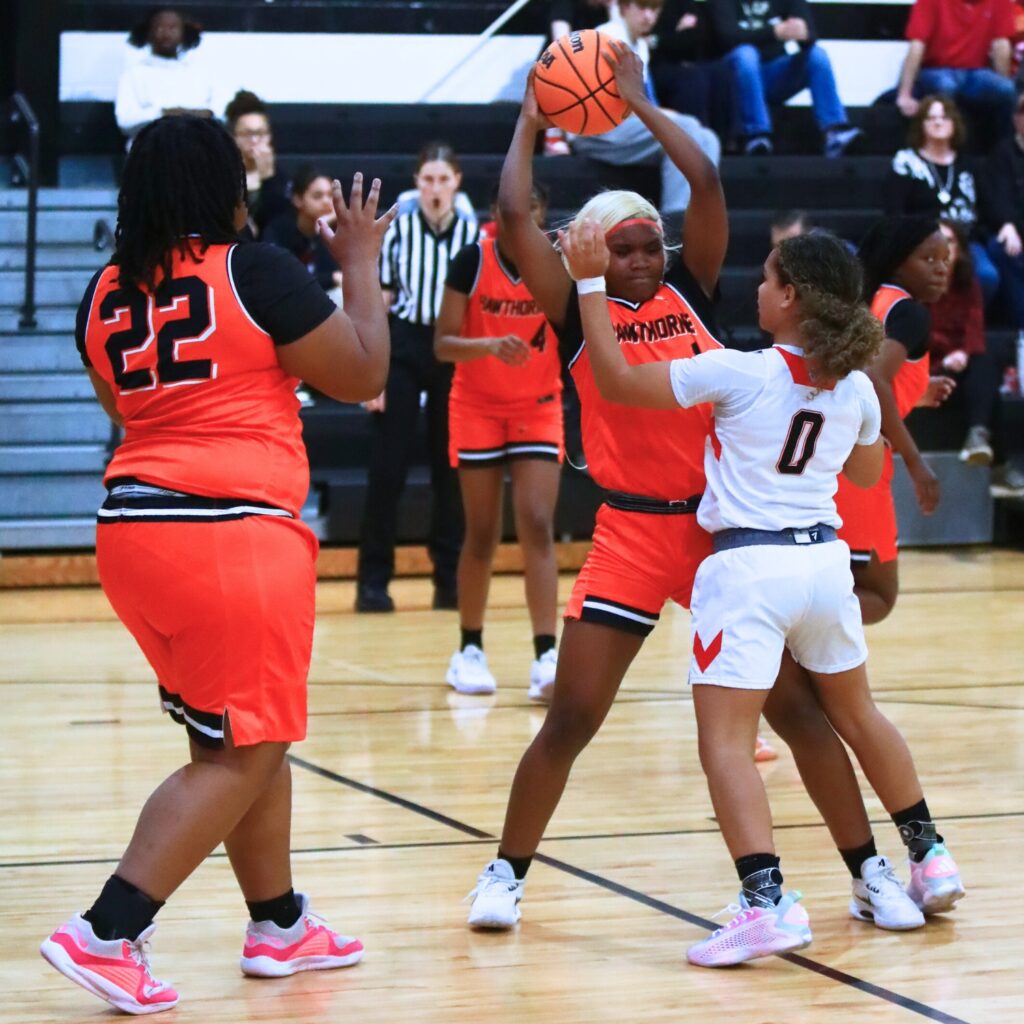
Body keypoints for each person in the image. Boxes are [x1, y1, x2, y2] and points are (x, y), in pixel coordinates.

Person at [466, 44, 927, 937]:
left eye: (650, 244)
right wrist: (532, 116)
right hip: (633, 534)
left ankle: (869, 871)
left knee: (799, 716)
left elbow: (707, 183)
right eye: (622, 247)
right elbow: (515, 211)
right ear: (592, 251)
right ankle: (504, 873)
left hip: (727, 538)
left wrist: (639, 104)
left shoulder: (692, 288)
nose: (641, 258)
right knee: (572, 717)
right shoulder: (577, 306)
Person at [38, 115, 395, 1014]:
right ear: (220, 185)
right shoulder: (254, 268)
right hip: (229, 530)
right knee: (245, 751)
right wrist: (359, 260)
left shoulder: (100, 294)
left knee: (231, 737)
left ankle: (278, 922)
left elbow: (125, 405)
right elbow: (362, 375)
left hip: (133, 532)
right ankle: (108, 931)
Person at [563, 223, 964, 967]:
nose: (755, 287)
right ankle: (930, 857)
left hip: (748, 569)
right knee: (859, 714)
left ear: (792, 299)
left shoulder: (736, 371)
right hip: (824, 566)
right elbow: (871, 478)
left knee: (724, 743)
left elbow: (615, 380)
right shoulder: (855, 388)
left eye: (769, 278)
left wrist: (589, 283)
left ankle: (765, 902)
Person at [434, 183, 563, 700]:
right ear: (495, 213)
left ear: (541, 215)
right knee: (482, 531)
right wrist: (487, 343)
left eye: (531, 211)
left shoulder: (555, 263)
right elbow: (442, 343)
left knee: (536, 522)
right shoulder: (472, 258)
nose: (520, 218)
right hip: (477, 408)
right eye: (511, 210)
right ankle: (469, 648)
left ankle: (546, 654)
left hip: (538, 406)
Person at [355, 142, 478, 613]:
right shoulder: (400, 229)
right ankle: (372, 581)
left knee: (450, 472)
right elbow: (381, 304)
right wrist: (375, 375)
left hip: (451, 351)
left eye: (443, 180)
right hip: (404, 348)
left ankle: (448, 580)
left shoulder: (471, 235)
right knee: (387, 468)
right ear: (417, 183)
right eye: (427, 179)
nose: (435, 189)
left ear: (457, 182)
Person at [835, 216, 954, 625]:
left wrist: (915, 392)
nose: (941, 267)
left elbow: (864, 380)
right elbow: (874, 381)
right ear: (900, 261)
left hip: (831, 453)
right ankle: (785, 633)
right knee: (879, 595)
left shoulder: (874, 300)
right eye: (929, 258)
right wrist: (917, 463)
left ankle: (811, 671)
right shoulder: (910, 314)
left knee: (838, 582)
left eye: (946, 258)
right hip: (861, 466)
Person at [568, 0, 722, 217]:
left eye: (654, 10)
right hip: (596, 128)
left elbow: (643, 101)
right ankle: (678, 217)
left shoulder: (639, 45)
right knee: (684, 128)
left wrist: (660, 115)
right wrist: (662, 116)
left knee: (707, 137)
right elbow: (599, 100)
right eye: (642, 8)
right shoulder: (608, 38)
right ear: (624, 8)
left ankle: (703, 214)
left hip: (624, 127)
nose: (649, 16)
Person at [706, 0, 863, 157]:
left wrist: (803, 33)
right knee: (746, 55)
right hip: (733, 82)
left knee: (817, 55)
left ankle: (835, 130)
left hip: (773, 77)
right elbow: (727, 37)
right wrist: (774, 32)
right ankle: (756, 134)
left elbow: (809, 37)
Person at [886, 95, 1000, 305]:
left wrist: (1007, 225)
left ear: (954, 124)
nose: (938, 122)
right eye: (931, 118)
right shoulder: (906, 161)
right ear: (921, 125)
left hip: (965, 240)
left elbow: (989, 206)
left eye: (944, 117)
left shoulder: (969, 164)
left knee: (987, 276)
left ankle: (966, 321)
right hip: (921, 241)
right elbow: (894, 210)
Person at [895, 0, 1017, 143]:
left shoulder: (999, 2)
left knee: (1006, 89)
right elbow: (916, 47)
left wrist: (1001, 80)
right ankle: (942, 149)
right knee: (946, 85)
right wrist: (904, 94)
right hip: (935, 70)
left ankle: (1008, 150)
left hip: (975, 73)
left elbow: (1001, 46)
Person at [930, 219, 1001, 464]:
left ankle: (977, 437)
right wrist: (949, 354)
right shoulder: (916, 285)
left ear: (959, 250)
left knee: (985, 361)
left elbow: (975, 325)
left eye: (950, 241)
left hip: (959, 362)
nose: (944, 247)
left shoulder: (969, 284)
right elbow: (917, 334)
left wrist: (964, 353)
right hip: (927, 363)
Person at [115, 7, 215, 144]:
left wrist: (190, 114)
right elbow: (125, 121)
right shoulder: (134, 74)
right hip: (148, 153)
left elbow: (211, 113)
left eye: (173, 28)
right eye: (160, 28)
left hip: (193, 153)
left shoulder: (197, 73)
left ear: (183, 33)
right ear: (149, 32)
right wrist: (164, 113)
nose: (166, 34)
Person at [263, 168, 343, 294]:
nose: (326, 201)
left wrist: (321, 231)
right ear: (298, 200)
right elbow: (283, 279)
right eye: (317, 196)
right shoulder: (279, 230)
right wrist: (331, 278)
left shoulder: (339, 229)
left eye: (330, 195)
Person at [983, 92, 1024, 337]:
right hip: (1012, 233)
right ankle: (1022, 327)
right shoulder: (1002, 154)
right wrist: (1007, 225)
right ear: (1015, 119)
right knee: (1005, 249)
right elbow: (994, 200)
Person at [225, 90, 291, 238]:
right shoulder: (222, 175)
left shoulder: (279, 177)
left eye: (261, 133)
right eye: (248, 134)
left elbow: (280, 222)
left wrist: (268, 178)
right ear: (233, 136)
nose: (255, 140)